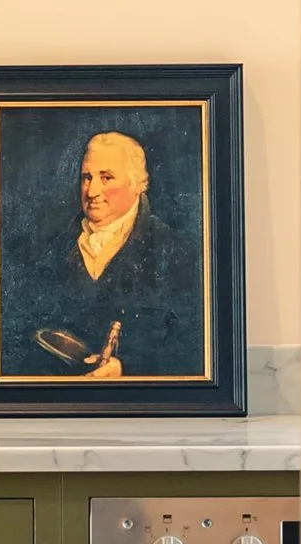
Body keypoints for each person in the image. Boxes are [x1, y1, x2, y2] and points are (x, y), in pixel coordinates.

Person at [22, 127, 204, 381]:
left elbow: (193, 350)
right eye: (87, 177)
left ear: (137, 184)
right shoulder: (52, 251)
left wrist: (125, 368)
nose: (92, 191)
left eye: (106, 178)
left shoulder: (175, 251)